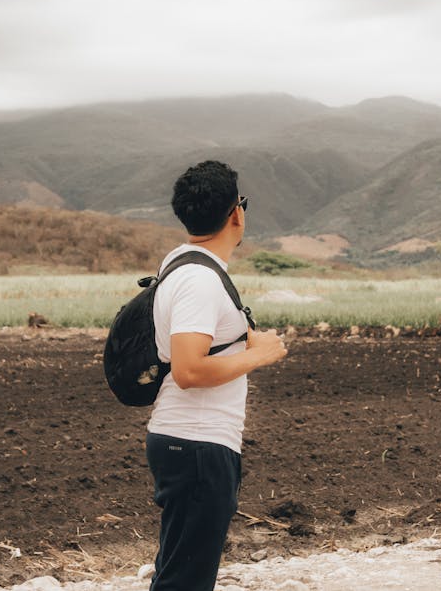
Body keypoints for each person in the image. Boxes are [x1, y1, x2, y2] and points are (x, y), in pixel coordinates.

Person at [146, 160, 287, 591]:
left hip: (189, 442)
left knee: (179, 575)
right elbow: (189, 370)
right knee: (185, 582)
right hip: (197, 444)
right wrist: (260, 355)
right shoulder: (199, 280)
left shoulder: (183, 265)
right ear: (237, 213)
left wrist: (248, 343)